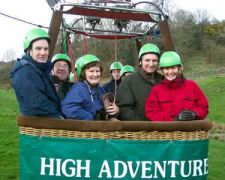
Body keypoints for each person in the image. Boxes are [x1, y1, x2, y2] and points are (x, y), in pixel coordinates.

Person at [11, 28, 62, 118]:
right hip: (37, 127)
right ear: (30, 50)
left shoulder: (40, 70)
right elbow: (36, 104)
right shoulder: (24, 72)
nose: (43, 53)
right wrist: (59, 118)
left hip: (46, 125)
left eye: (45, 49)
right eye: (38, 49)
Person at [145, 51, 208, 121]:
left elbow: (204, 107)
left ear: (179, 69)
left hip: (191, 130)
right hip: (167, 131)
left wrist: (194, 114)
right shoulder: (156, 90)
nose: (170, 72)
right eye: (166, 68)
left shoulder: (192, 86)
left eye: (173, 68)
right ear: (162, 70)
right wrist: (173, 119)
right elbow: (151, 113)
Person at [61, 54, 119, 120]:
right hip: (88, 127)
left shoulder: (101, 90)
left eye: (97, 71)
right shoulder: (78, 89)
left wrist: (116, 110)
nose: (95, 74)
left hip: (101, 126)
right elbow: (68, 109)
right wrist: (90, 118)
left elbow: (108, 109)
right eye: (91, 71)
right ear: (83, 73)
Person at [117, 43, 163, 120]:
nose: (151, 64)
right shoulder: (129, 82)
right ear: (141, 61)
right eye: (147, 60)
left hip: (162, 128)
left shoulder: (163, 80)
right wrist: (141, 125)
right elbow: (124, 109)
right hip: (139, 129)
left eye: (154, 60)